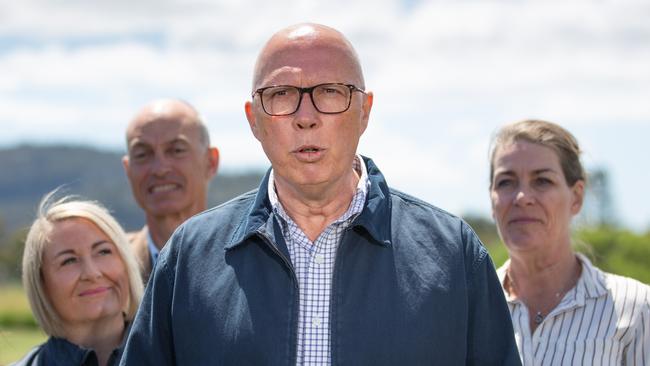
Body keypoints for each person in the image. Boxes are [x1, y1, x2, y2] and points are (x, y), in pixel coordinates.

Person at [121, 23, 520, 365]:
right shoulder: (188, 259)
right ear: (253, 120)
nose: (306, 117)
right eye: (281, 95)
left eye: (330, 92)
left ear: (364, 111)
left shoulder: (453, 255)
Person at [489, 119, 650, 365]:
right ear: (492, 199)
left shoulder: (636, 308)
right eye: (506, 182)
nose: (522, 197)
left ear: (576, 197)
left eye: (542, 180)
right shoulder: (472, 308)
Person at [13, 192, 143, 366]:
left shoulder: (177, 356)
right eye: (69, 261)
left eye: (103, 251)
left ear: (126, 263)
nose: (92, 273)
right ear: (41, 284)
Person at [122, 99, 219, 283]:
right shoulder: (110, 272)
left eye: (176, 150)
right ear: (128, 170)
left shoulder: (253, 261)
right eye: (143, 154)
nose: (160, 169)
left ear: (210, 162)